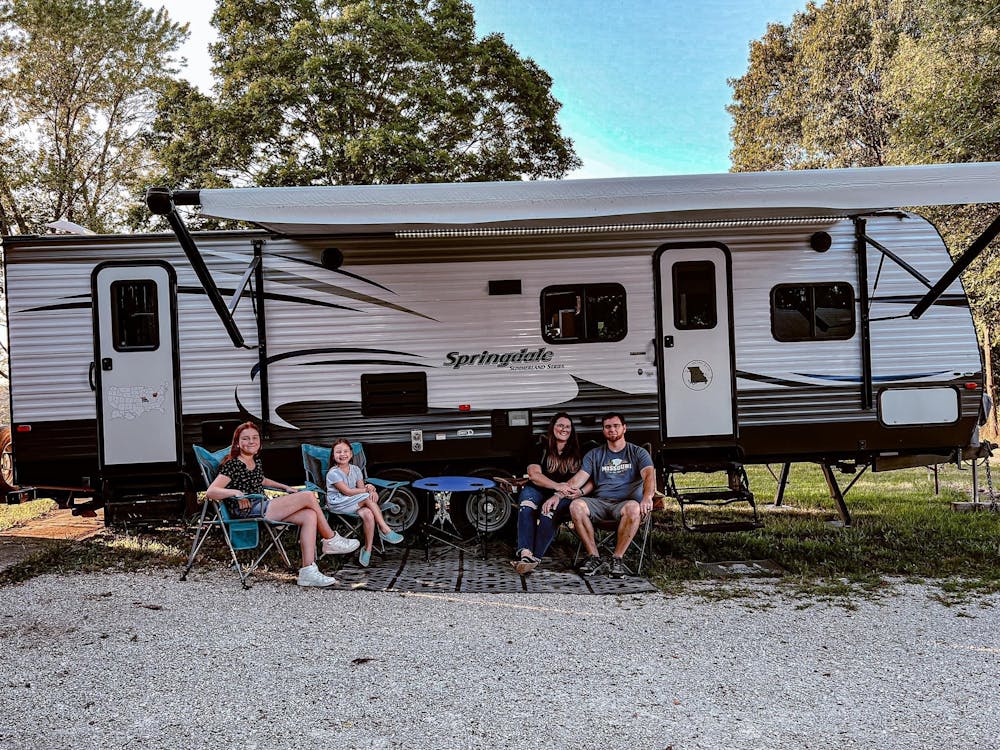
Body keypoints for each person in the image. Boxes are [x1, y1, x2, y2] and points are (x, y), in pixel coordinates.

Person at [206, 422, 360, 588]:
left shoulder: (254, 461)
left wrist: (285, 487)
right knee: (308, 496)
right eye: (246, 438)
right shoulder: (233, 464)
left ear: (259, 441)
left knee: (310, 515)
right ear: (237, 443)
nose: (251, 441)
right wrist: (235, 492)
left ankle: (308, 571)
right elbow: (211, 491)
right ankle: (330, 539)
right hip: (248, 511)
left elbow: (262, 480)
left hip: (262, 506)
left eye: (254, 438)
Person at [564, 412, 656, 579]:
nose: (612, 429)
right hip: (599, 503)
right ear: (603, 430)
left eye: (616, 426)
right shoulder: (595, 454)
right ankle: (594, 556)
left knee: (634, 508)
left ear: (624, 428)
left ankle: (617, 558)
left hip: (625, 504)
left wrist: (647, 497)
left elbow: (649, 476)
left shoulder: (638, 453)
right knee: (576, 506)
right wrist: (558, 492)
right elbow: (579, 479)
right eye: (608, 427)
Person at [511, 412, 588, 575]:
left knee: (548, 513)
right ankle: (525, 552)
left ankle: (534, 558)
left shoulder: (579, 450)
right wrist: (556, 486)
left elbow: (584, 478)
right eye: (560, 425)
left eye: (567, 426)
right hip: (539, 489)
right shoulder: (540, 445)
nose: (564, 429)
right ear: (552, 427)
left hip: (565, 494)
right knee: (526, 505)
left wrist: (560, 492)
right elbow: (534, 475)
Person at [326, 439, 404, 567]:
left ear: (351, 454)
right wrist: (368, 491)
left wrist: (370, 489)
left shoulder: (356, 469)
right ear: (333, 456)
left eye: (346, 451)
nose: (342, 454)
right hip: (338, 503)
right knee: (367, 497)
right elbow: (348, 492)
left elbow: (360, 488)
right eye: (338, 452)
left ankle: (367, 550)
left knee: (368, 513)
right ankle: (385, 529)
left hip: (354, 503)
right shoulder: (333, 473)